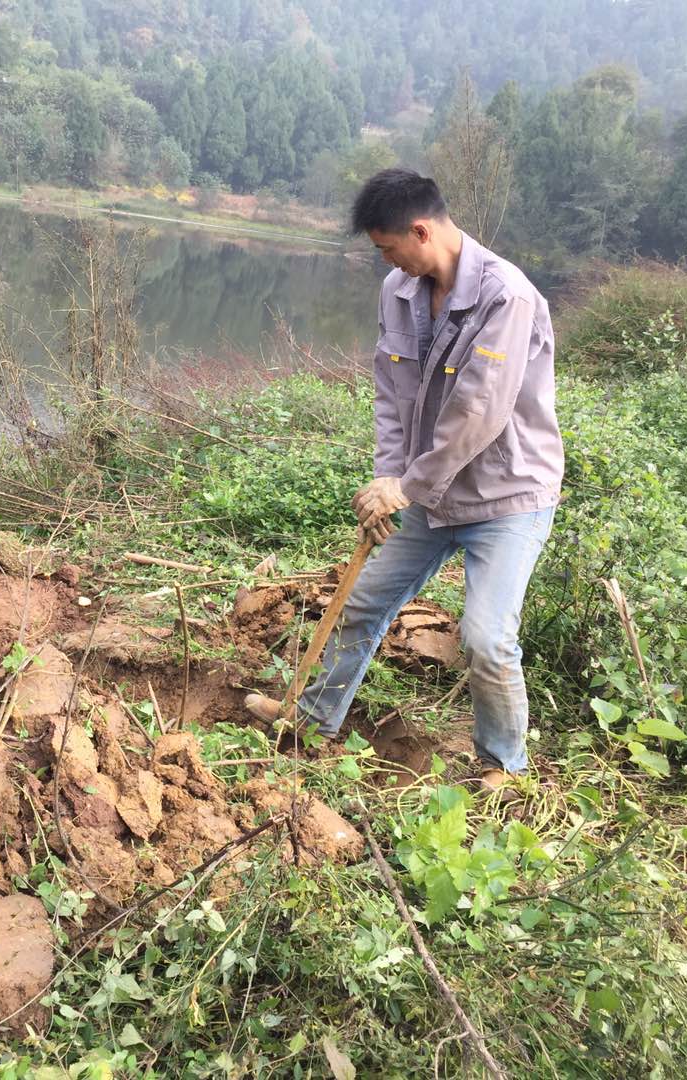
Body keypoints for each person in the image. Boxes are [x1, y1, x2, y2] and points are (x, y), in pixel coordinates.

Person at [244, 169, 564, 793]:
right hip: (426, 489)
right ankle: (310, 719)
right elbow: (391, 396)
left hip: (506, 496)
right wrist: (389, 476)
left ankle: (502, 764)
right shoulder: (398, 290)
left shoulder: (508, 297)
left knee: (486, 638)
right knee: (361, 602)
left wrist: (408, 485)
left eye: (388, 247)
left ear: (421, 230)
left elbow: (479, 411)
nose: (385, 261)